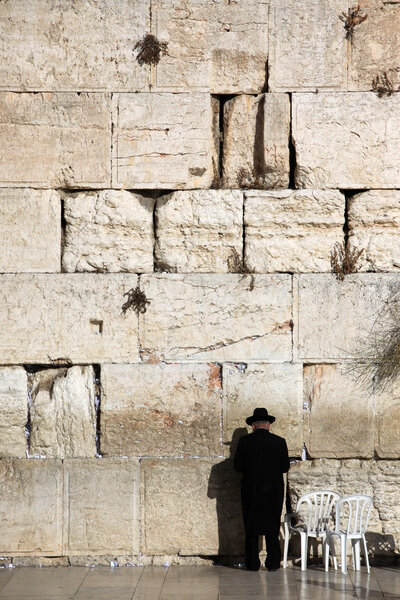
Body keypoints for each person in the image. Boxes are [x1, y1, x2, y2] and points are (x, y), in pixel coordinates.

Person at [234, 407, 290, 571]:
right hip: (273, 491)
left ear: (253, 425)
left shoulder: (245, 442)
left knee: (251, 527)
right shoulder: (279, 442)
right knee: (272, 526)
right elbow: (285, 467)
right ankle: (273, 563)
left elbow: (237, 467)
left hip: (251, 491)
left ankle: (252, 564)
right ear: (269, 425)